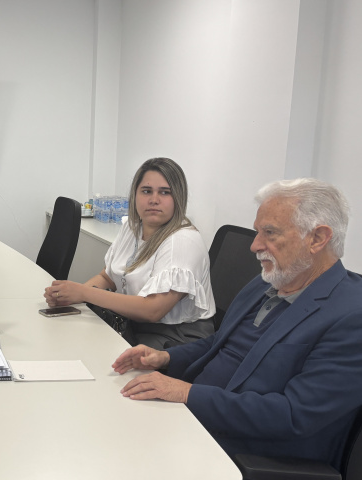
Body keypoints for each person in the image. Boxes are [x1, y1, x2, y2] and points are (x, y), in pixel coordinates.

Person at [112, 178, 362, 469]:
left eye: (270, 233)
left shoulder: (351, 315)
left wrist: (186, 393)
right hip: (194, 417)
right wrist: (165, 358)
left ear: (318, 238)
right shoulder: (268, 281)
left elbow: (293, 416)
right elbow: (219, 343)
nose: (255, 245)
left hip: (244, 452)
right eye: (258, 232)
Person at [44, 157, 215, 348]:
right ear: (135, 195)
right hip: (133, 324)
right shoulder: (132, 227)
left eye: (165, 192)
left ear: (179, 197)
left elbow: (151, 310)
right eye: (146, 191)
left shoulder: (182, 241)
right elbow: (108, 277)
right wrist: (68, 296)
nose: (154, 200)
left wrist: (84, 293)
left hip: (175, 340)